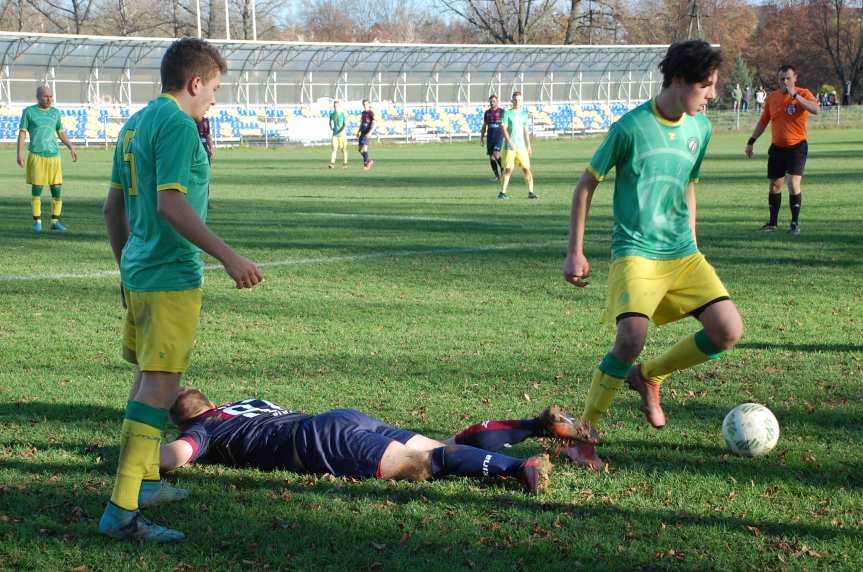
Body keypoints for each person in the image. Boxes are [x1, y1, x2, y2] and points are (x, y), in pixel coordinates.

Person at [99, 38, 264, 543]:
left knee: (151, 379)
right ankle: (122, 512)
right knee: (160, 387)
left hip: (142, 272)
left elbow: (112, 208)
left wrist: (126, 269)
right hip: (170, 275)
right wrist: (228, 256)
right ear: (196, 83)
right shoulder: (176, 125)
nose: (214, 98)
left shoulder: (135, 124)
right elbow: (171, 204)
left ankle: (145, 483)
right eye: (213, 88)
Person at [562, 40, 743, 470]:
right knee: (630, 338)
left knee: (727, 331)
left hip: (682, 253)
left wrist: (693, 242)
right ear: (678, 80)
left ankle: (650, 375)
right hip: (637, 252)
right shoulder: (630, 128)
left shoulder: (701, 129)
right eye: (706, 86)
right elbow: (586, 184)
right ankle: (583, 439)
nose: (712, 95)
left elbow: (689, 184)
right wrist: (575, 251)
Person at [159, 388, 555, 496]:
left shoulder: (204, 430)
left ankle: (519, 467)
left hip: (318, 441)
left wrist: (139, 456)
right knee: (444, 444)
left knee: (425, 463)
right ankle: (536, 425)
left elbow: (174, 458)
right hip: (340, 418)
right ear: (211, 402)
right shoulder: (240, 404)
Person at [745, 65, 819, 235]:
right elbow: (763, 122)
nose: (785, 82)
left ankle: (794, 224)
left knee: (793, 184)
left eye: (787, 78)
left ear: (795, 78)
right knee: (775, 186)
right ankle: (772, 224)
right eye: (781, 79)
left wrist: (796, 96)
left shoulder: (804, 93)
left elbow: (816, 110)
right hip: (777, 148)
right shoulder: (772, 98)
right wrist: (751, 141)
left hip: (797, 147)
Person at [16, 85, 78, 233]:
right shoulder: (29, 112)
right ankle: (37, 222)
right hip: (37, 156)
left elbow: (60, 132)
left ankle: (55, 221)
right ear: (38, 97)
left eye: (51, 96)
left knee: (56, 189)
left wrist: (71, 146)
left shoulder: (56, 113)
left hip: (54, 157)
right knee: (37, 189)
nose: (49, 99)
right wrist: (20, 152)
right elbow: (23, 133)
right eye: (45, 96)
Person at [499, 91, 536, 200]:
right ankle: (502, 193)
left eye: (519, 100)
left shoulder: (524, 114)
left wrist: (529, 145)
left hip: (521, 147)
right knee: (508, 170)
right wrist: (510, 142)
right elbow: (504, 129)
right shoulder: (507, 113)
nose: (517, 102)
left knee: (526, 169)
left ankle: (531, 192)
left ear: (522, 101)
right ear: (512, 101)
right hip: (509, 147)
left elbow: (525, 130)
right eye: (515, 99)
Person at [480, 95, 505, 182]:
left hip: (499, 136)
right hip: (490, 137)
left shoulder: (502, 112)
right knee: (491, 158)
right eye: (490, 101)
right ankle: (497, 177)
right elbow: (484, 125)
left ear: (497, 101)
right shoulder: (487, 113)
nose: (492, 103)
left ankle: (503, 169)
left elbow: (506, 125)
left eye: (493, 101)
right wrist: (482, 137)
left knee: (496, 154)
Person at [328, 99, 348, 169]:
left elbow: (345, 124)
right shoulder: (332, 114)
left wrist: (341, 130)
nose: (336, 107)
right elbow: (330, 121)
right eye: (335, 106)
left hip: (342, 134)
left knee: (343, 149)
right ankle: (332, 163)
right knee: (334, 149)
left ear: (339, 106)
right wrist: (331, 127)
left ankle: (345, 163)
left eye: (337, 106)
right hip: (335, 134)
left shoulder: (343, 114)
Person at [357, 99, 375, 171]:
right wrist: (358, 131)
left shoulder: (371, 113)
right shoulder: (363, 113)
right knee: (360, 150)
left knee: (365, 149)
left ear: (368, 104)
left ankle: (366, 165)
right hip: (362, 132)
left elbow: (374, 123)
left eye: (366, 104)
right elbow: (362, 123)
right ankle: (368, 161)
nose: (365, 105)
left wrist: (370, 132)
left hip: (367, 133)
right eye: (364, 104)